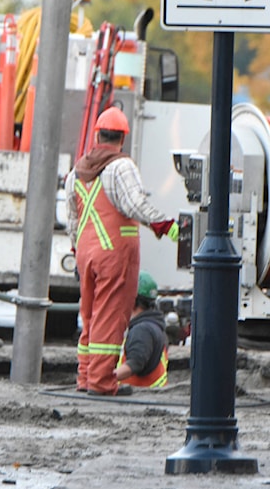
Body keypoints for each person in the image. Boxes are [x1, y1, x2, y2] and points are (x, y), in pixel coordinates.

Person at [64, 106, 179, 396]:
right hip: (114, 254)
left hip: (85, 253)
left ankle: (86, 378)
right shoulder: (120, 167)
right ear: (122, 138)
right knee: (110, 317)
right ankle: (102, 383)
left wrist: (79, 250)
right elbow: (135, 205)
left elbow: (72, 220)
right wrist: (168, 227)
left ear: (97, 135)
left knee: (89, 316)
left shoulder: (77, 172)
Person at [114, 271, 168, 389]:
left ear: (132, 301)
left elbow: (134, 364)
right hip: (151, 397)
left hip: (135, 400)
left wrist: (103, 380)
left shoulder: (142, 330)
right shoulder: (155, 325)